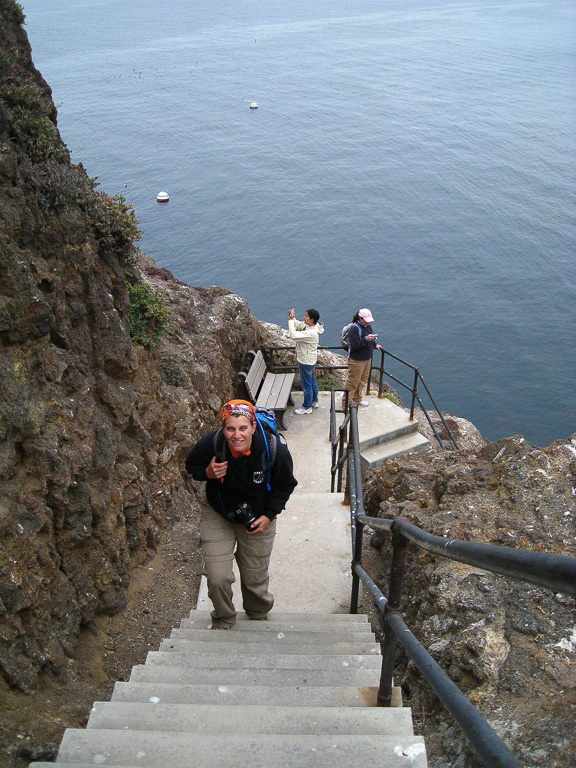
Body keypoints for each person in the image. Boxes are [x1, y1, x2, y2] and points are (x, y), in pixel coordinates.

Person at [185, 399, 297, 628]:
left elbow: (285, 484)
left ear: (254, 427)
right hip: (219, 512)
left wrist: (269, 515)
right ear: (223, 428)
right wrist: (206, 472)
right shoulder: (212, 443)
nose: (237, 435)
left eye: (243, 428)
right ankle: (224, 617)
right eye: (230, 429)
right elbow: (191, 466)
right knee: (218, 577)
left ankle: (257, 613)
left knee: (254, 576)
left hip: (259, 517)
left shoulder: (274, 449)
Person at [288, 307, 324, 415]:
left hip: (305, 360)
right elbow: (299, 325)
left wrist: (290, 321)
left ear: (311, 320)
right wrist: (293, 318)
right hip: (310, 359)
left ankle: (307, 407)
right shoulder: (310, 326)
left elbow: (293, 335)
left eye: (306, 316)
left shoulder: (312, 333)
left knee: (306, 384)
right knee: (312, 381)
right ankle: (314, 401)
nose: (304, 317)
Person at [347, 308, 383, 407]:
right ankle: (347, 402)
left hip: (367, 358)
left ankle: (357, 399)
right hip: (357, 360)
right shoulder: (354, 329)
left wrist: (374, 344)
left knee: (363, 380)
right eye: (366, 321)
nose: (368, 323)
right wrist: (366, 340)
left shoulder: (367, 326)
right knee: (353, 382)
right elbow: (354, 345)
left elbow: (369, 337)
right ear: (360, 318)